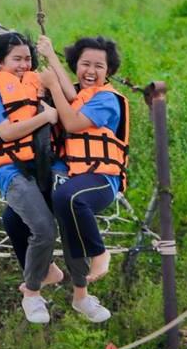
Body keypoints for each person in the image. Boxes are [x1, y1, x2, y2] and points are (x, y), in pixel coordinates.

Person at [37, 35, 129, 324]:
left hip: (101, 179)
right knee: (50, 218)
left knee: (68, 197)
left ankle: (100, 253)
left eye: (99, 66)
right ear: (76, 66)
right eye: (84, 64)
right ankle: (75, 293)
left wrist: (52, 86)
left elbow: (73, 121)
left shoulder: (106, 99)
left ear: (109, 71)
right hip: (76, 175)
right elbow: (70, 93)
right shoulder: (81, 95)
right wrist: (50, 54)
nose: (91, 71)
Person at [0, 32, 65, 324]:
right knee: (44, 229)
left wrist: (50, 55)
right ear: (0, 62)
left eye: (28, 59)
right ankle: (32, 292)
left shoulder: (36, 84)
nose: (24, 65)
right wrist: (45, 116)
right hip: (11, 170)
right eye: (17, 59)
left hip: (44, 165)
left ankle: (59, 272)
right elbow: (7, 133)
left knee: (70, 203)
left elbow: (69, 95)